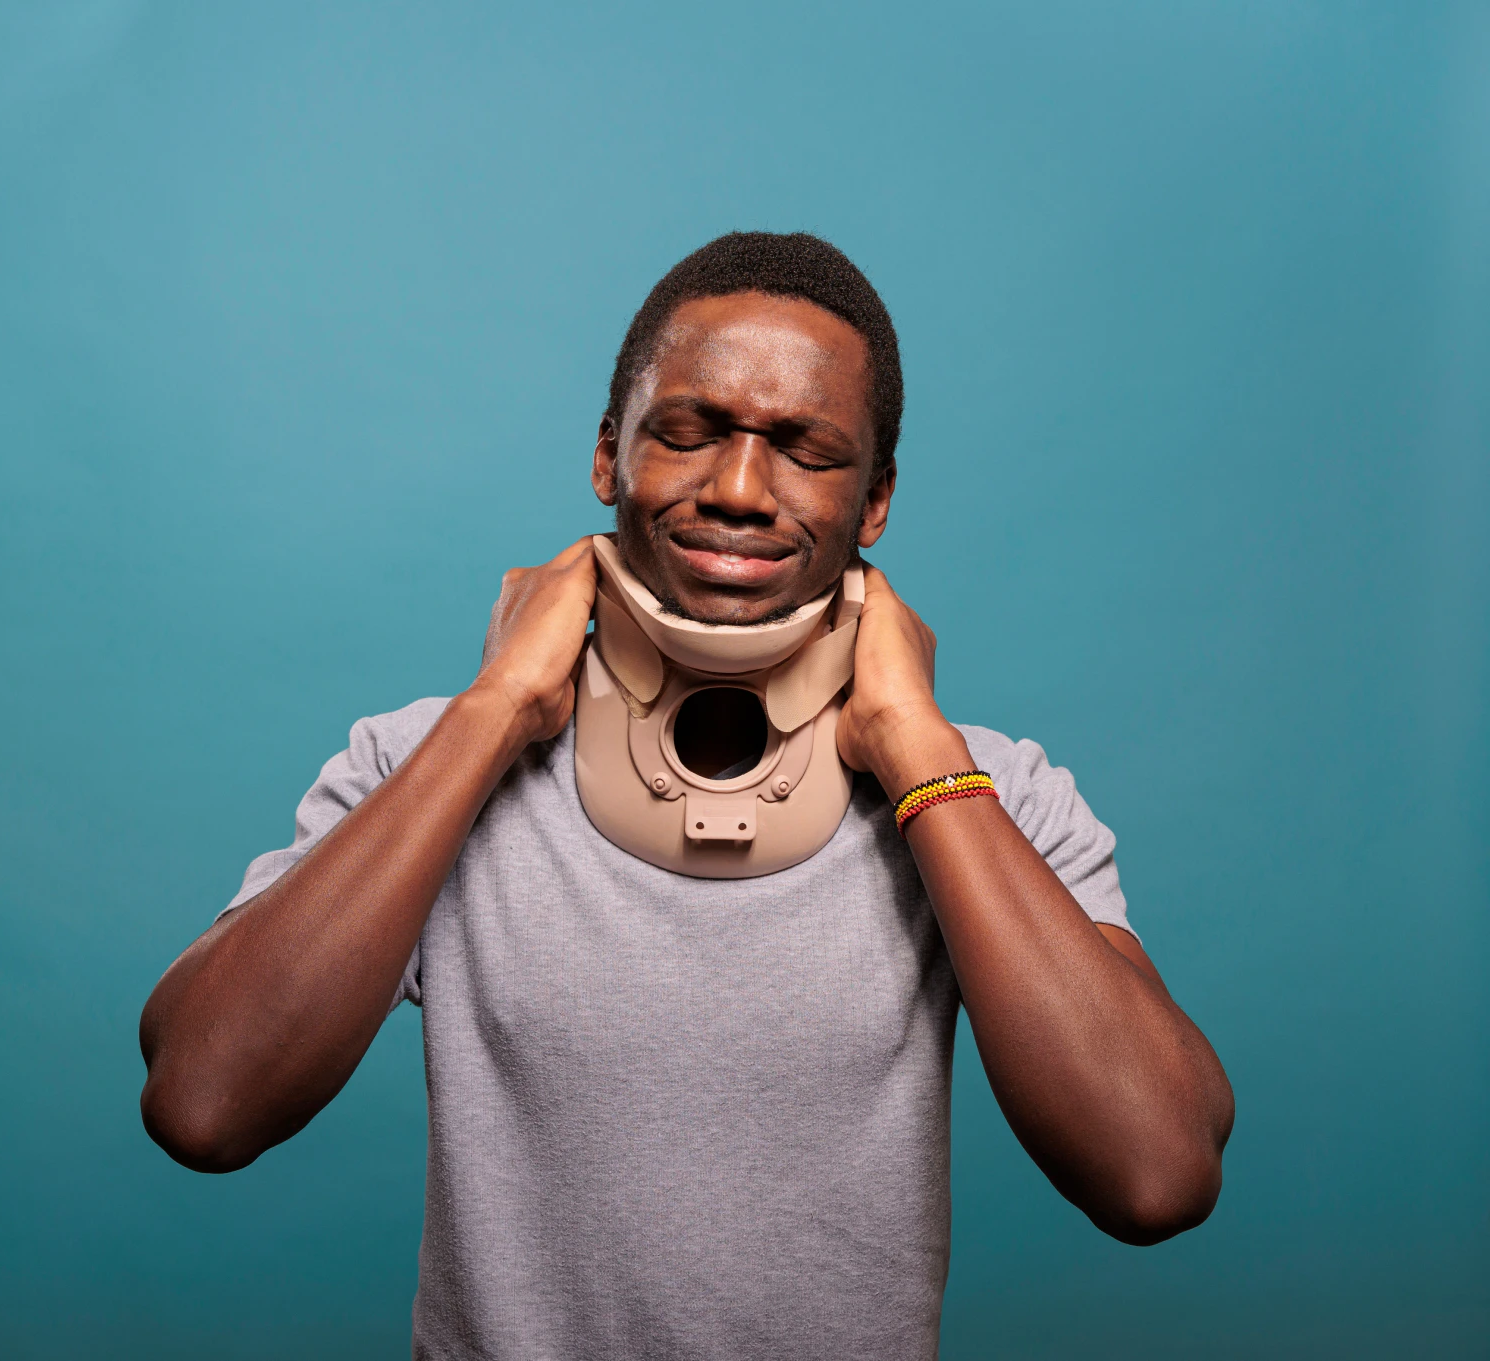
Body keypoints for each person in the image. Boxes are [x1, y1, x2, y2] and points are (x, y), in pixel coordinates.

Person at [138, 232, 1234, 1359]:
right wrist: (495, 708)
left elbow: (1154, 1172)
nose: (740, 489)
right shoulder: (423, 763)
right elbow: (203, 1102)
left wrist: (913, 748)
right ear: (609, 456)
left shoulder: (984, 795)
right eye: (687, 430)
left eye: (805, 450)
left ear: (875, 502)